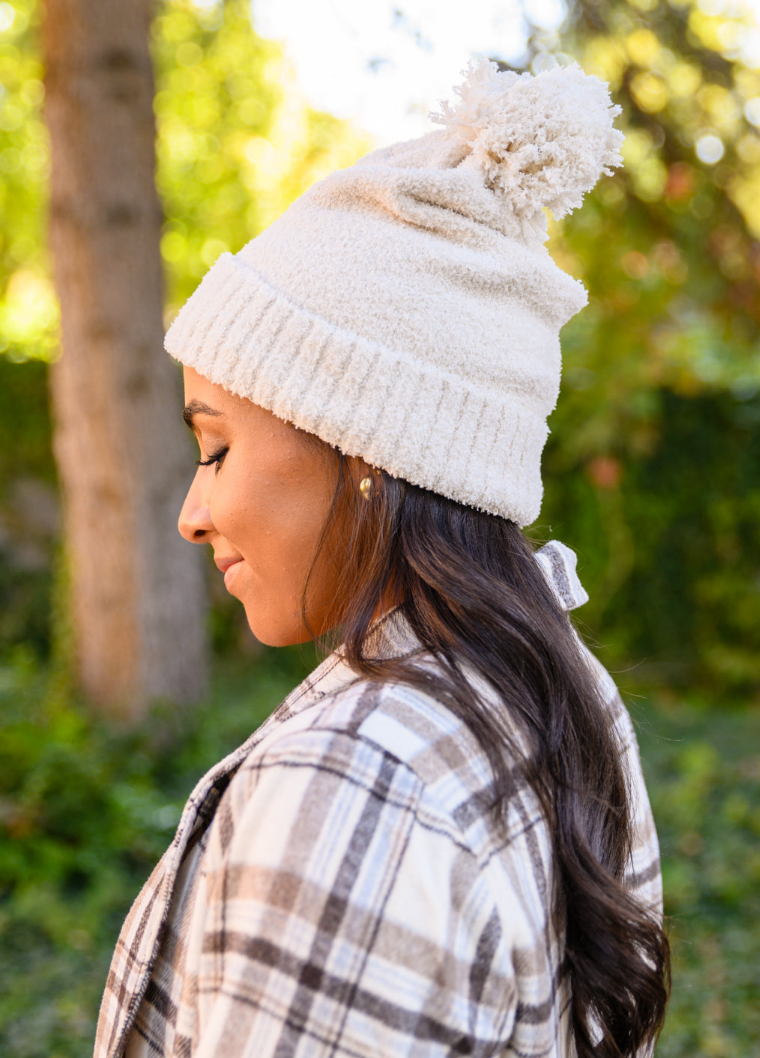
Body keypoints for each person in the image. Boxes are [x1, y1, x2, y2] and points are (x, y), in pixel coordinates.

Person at [94, 61, 670, 1058]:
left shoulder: (347, 786)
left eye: (219, 446)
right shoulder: (558, 688)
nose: (193, 513)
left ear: (365, 445)